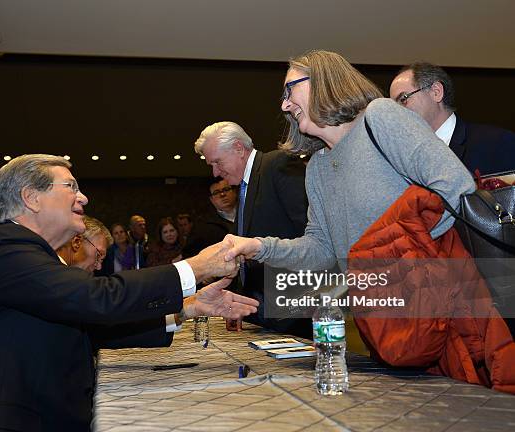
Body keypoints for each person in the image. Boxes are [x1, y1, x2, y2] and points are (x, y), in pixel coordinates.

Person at [224, 50, 515, 392]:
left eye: (290, 91)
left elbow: (455, 186)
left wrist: (404, 258)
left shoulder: (381, 117)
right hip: (384, 325)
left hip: (441, 308)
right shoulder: (316, 169)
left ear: (325, 81)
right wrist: (257, 247)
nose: (285, 105)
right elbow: (321, 250)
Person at [0, 154, 259, 432]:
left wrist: (190, 307)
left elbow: (85, 328)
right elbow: (97, 299)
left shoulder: (26, 254)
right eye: (71, 186)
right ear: (31, 197)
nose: (84, 197)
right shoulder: (2, 247)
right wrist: (196, 267)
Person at [194, 121, 308, 337]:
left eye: (217, 162)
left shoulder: (278, 164)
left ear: (238, 148)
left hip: (290, 311)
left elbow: (310, 233)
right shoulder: (244, 188)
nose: (215, 172)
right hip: (260, 311)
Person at [390, 62, 515, 175]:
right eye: (393, 106)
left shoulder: (496, 143)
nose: (397, 112)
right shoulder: (401, 159)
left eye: (403, 99)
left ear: (436, 92)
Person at [182, 177, 237, 259]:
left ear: (234, 192)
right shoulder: (203, 226)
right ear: (212, 200)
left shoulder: (250, 215)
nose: (222, 194)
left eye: (226, 189)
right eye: (216, 192)